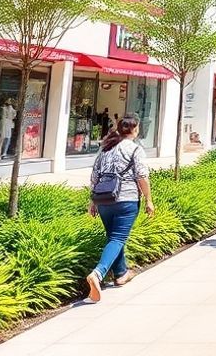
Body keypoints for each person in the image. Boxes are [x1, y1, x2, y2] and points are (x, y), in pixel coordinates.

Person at [85, 114, 154, 302]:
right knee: (117, 238)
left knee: (113, 238)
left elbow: (95, 176)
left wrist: (92, 201)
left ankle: (121, 273)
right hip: (126, 200)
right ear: (135, 129)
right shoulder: (135, 149)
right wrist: (149, 200)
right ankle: (98, 274)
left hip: (103, 199)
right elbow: (142, 176)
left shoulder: (106, 148)